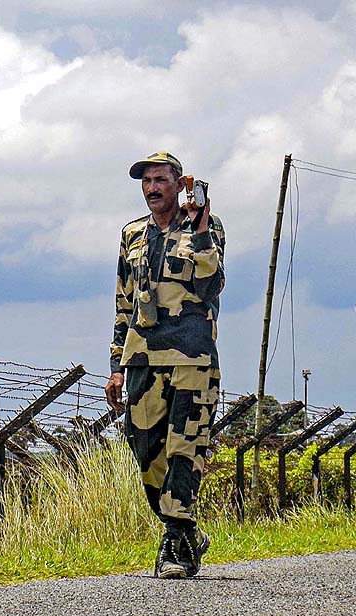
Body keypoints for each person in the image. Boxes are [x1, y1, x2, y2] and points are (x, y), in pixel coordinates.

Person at [105, 152, 225, 578]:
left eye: (160, 180)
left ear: (180, 184)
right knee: (145, 447)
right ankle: (188, 527)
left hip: (191, 355)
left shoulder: (203, 229)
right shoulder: (132, 234)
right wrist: (117, 364)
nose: (152, 188)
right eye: (147, 181)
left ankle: (176, 537)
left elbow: (211, 284)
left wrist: (202, 227)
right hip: (142, 356)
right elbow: (123, 302)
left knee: (185, 446)